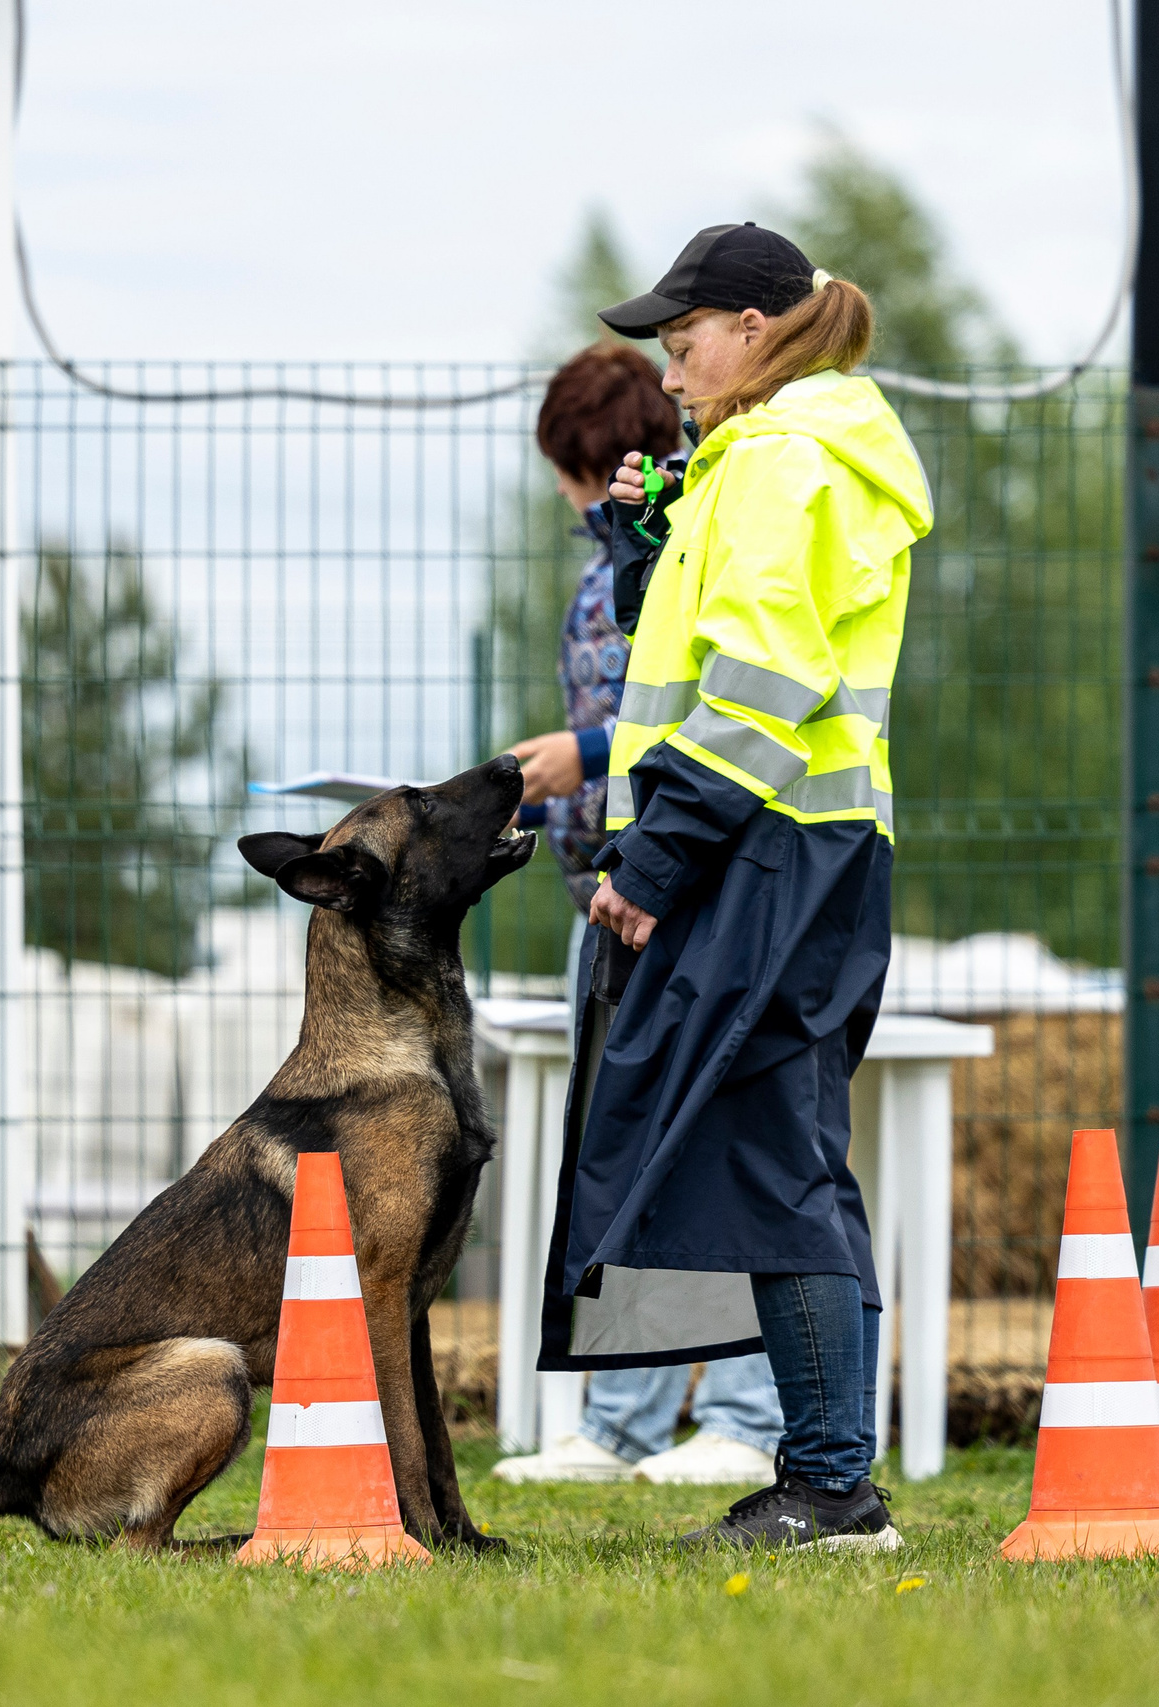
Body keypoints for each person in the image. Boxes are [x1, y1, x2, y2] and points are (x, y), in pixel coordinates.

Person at [536, 223, 931, 1552]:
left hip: (765, 846)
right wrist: (652, 544)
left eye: (685, 336)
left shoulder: (778, 460)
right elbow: (708, 644)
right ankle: (828, 1476)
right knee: (787, 1156)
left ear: (753, 327)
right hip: (806, 845)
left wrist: (658, 853)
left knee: (782, 1162)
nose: (675, 362)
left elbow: (764, 677)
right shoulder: (782, 457)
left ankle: (829, 1485)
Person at [492, 343, 786, 1488]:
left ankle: (748, 1419)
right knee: (626, 1155)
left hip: (672, 885)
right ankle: (621, 1423)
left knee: (725, 1150)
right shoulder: (619, 548)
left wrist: (585, 754)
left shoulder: (700, 528)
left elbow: (716, 700)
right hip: (613, 892)